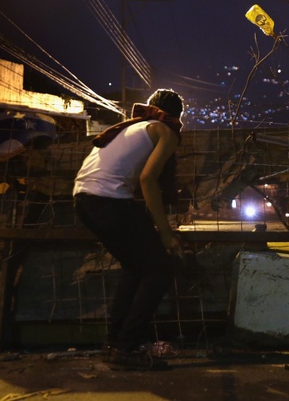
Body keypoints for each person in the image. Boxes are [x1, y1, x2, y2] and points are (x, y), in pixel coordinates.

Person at [73, 89, 185, 370]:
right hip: (109, 201)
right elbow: (148, 180)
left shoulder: (133, 126)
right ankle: (126, 346)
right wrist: (165, 232)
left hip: (83, 199)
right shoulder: (165, 132)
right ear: (178, 117)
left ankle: (114, 343)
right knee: (159, 269)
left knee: (137, 267)